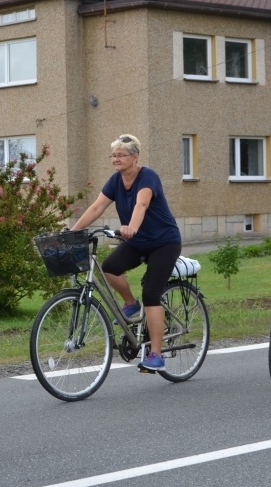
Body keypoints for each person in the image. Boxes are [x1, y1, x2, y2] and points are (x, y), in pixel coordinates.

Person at [70, 134, 181, 372]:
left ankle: (156, 354)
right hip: (137, 241)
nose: (116, 159)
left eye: (121, 155)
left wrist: (131, 227)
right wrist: (74, 230)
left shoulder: (147, 177)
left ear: (135, 157)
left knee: (152, 292)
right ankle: (131, 303)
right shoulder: (115, 181)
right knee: (109, 267)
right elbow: (97, 206)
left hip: (164, 242)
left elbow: (141, 204)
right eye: (113, 155)